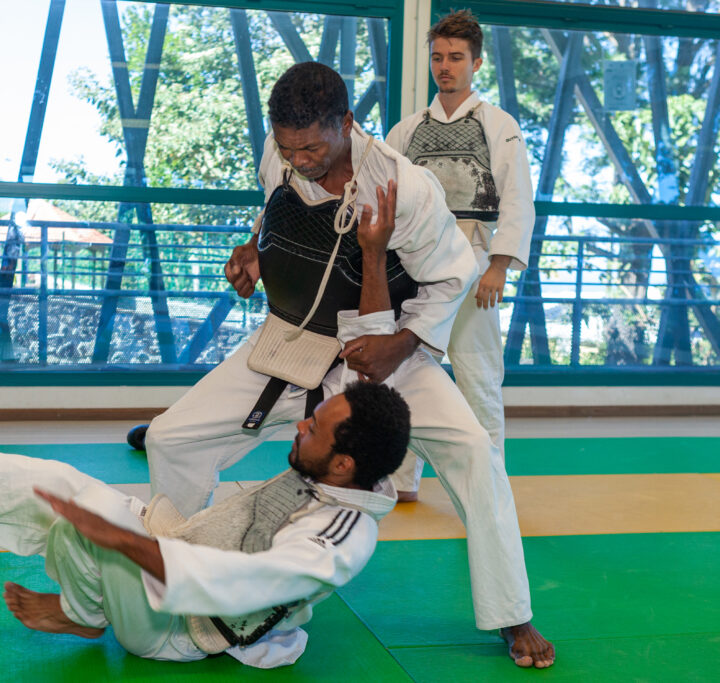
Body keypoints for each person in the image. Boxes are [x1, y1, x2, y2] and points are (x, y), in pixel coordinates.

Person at [143, 62, 554, 668]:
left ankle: (510, 611)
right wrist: (254, 251)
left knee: (473, 449)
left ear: (346, 124)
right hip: (291, 341)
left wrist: (404, 343)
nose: (298, 159)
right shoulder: (281, 153)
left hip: (387, 350)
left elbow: (452, 277)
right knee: (171, 437)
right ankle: (176, 582)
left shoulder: (403, 187)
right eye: (288, 147)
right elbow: (274, 209)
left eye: (311, 147)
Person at [0, 368, 411, 668]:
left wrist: (123, 541)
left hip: (183, 631)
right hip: (176, 553)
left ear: (343, 464)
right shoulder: (336, 474)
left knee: (83, 525)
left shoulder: (342, 538)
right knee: (53, 483)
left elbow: (247, 583)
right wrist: (129, 536)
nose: (301, 424)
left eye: (315, 427)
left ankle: (82, 614)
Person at [385, 9, 535, 497]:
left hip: (473, 258)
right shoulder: (407, 130)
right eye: (437, 58)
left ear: (476, 63)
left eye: (455, 57)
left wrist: (499, 265)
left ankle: (490, 484)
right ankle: (401, 478)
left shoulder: (498, 124)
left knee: (478, 374)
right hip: (415, 261)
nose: (444, 66)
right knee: (405, 372)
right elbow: (388, 196)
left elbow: (517, 197)